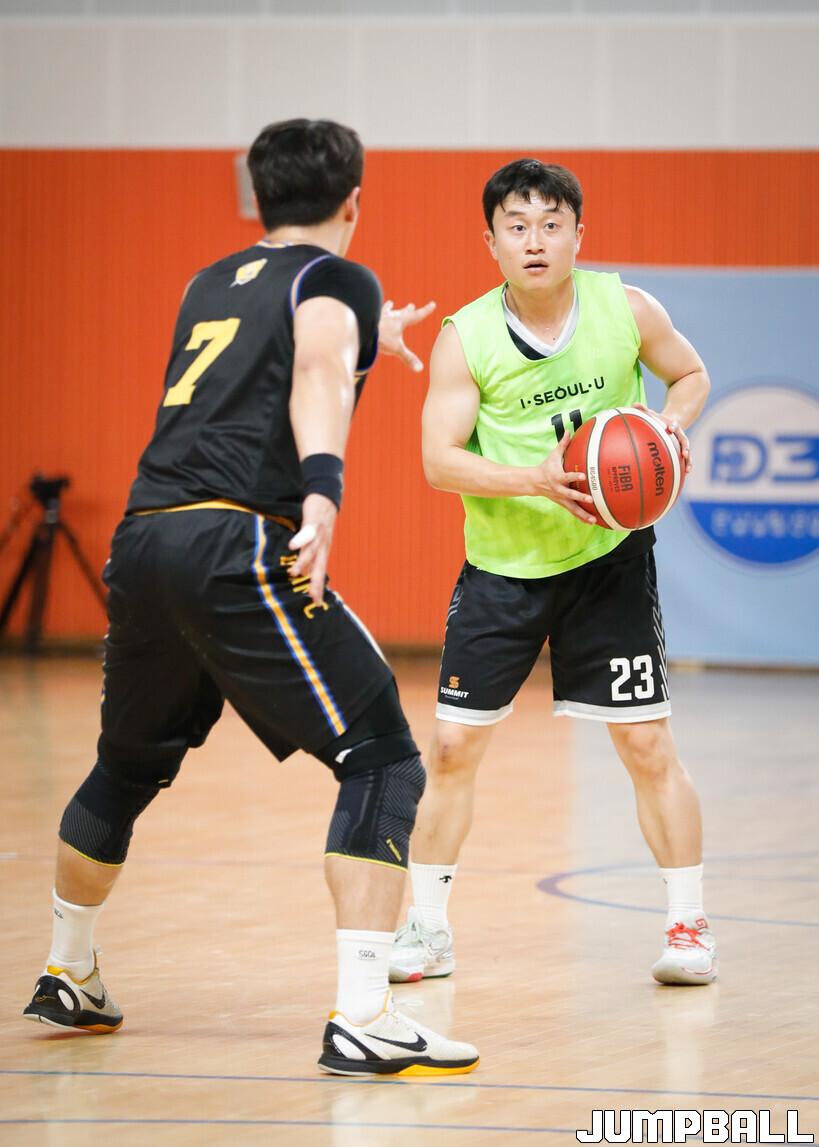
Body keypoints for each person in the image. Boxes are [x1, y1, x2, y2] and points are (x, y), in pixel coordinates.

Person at [22, 118, 479, 1077]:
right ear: (354, 199)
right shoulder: (337, 278)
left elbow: (264, 365)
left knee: (124, 766)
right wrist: (322, 490)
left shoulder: (209, 281)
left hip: (145, 538)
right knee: (383, 758)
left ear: (257, 198)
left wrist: (371, 333)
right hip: (237, 539)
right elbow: (313, 366)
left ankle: (70, 968)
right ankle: (364, 1015)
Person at [390, 158, 716, 988]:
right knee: (451, 747)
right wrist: (533, 478)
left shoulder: (625, 307)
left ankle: (687, 927)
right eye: (516, 226)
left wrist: (668, 431)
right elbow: (437, 460)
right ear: (491, 242)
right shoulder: (466, 336)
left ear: (577, 234)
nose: (534, 241)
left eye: (549, 224)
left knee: (646, 742)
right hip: (503, 570)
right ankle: (426, 929)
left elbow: (690, 375)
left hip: (606, 565)